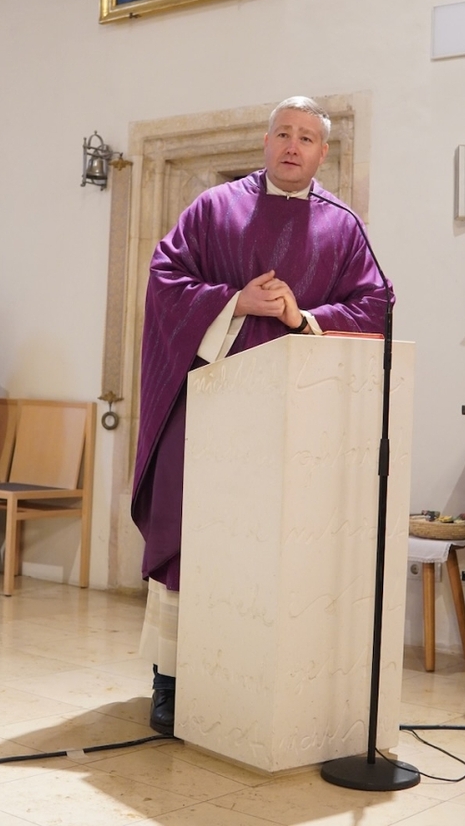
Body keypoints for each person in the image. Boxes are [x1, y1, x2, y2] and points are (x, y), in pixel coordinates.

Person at [131, 95, 393, 735]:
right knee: (192, 533)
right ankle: (172, 680)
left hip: (295, 418)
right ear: (266, 141)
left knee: (278, 542)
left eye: (306, 137)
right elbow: (164, 278)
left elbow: (376, 305)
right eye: (283, 133)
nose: (292, 145)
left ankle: (266, 680)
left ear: (323, 152)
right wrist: (234, 302)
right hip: (209, 406)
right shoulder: (213, 207)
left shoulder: (343, 227)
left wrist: (302, 316)